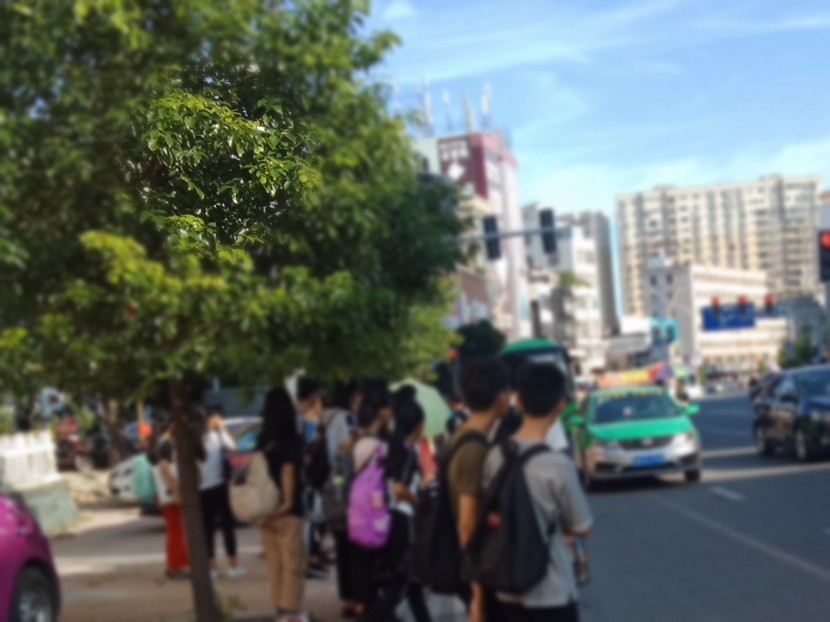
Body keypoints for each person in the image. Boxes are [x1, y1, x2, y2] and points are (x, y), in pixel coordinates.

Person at [482, 364, 593, 622]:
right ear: (561, 406)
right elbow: (583, 527)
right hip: (552, 588)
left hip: (507, 588)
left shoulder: (494, 456)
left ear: (519, 402)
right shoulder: (558, 465)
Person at [448, 358, 512, 621]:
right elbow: (468, 527)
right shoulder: (476, 450)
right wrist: (479, 598)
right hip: (482, 577)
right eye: (508, 390)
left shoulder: (462, 437)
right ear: (500, 397)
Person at [363, 394, 432, 622]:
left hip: (385, 517)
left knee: (409, 581)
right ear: (418, 425)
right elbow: (400, 489)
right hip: (402, 520)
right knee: (401, 582)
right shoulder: (407, 451)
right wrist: (419, 501)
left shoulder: (388, 446)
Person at [258, 388, 310, 622]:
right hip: (287, 512)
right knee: (293, 564)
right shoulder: (291, 439)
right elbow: (288, 469)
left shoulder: (262, 440)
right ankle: (289, 613)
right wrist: (288, 502)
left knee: (275, 564)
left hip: (265, 509)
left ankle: (279, 608)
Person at [348, 379, 394, 619]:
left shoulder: (356, 440)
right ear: (382, 411)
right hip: (375, 511)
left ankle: (362, 604)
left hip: (357, 508)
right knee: (374, 559)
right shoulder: (379, 446)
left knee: (361, 558)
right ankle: (370, 609)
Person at [324, 381, 360, 620]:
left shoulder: (325, 417)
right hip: (345, 484)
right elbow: (348, 451)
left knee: (342, 548)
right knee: (352, 547)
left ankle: (347, 597)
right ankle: (355, 598)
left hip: (331, 484)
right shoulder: (346, 418)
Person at [200, 405, 246, 580]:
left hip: (204, 488)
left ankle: (214, 567)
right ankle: (231, 566)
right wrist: (222, 430)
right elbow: (234, 448)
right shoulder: (216, 436)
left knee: (209, 529)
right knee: (225, 527)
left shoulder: (195, 439)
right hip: (218, 486)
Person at [296, 377, 328, 579]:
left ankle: (312, 557)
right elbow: (309, 450)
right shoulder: (308, 420)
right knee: (310, 522)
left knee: (311, 521)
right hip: (309, 480)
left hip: (306, 479)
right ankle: (310, 560)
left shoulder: (300, 417)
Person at [152, 420, 190, 580]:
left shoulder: (162, 452)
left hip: (167, 499)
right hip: (171, 499)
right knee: (177, 533)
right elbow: (168, 474)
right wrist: (176, 492)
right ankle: (177, 566)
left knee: (176, 532)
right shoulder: (166, 456)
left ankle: (174, 565)